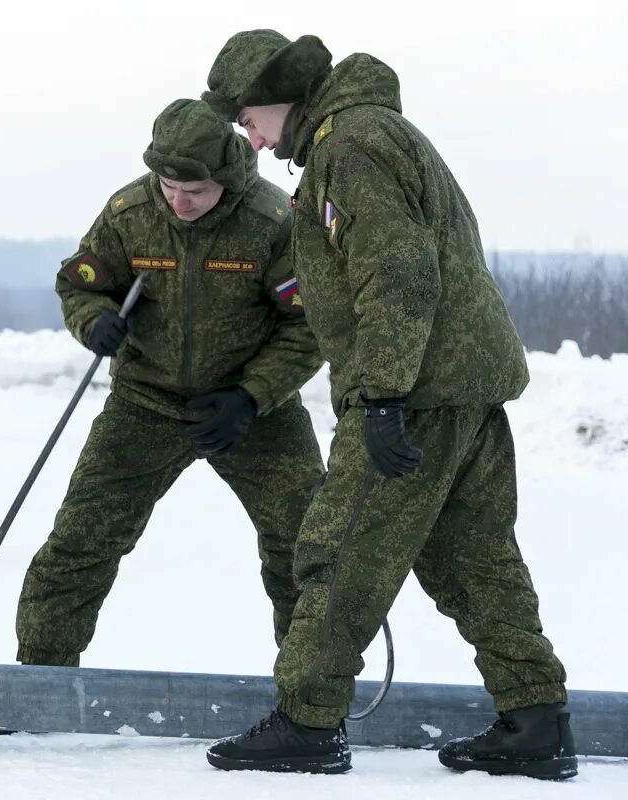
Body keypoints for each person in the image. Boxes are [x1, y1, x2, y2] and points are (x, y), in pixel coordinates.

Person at [199, 31, 573, 780]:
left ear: (280, 96)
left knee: (339, 555)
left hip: (416, 393)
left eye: (248, 117)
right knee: (476, 558)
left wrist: (381, 398)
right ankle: (536, 719)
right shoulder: (373, 132)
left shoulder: (351, 146)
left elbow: (398, 275)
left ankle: (306, 722)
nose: (251, 136)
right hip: (461, 387)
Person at [15, 99, 325, 668]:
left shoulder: (272, 220)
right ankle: (42, 677)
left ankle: (313, 693)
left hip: (253, 413)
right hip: (144, 402)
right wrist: (94, 321)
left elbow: (309, 324)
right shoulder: (129, 211)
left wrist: (252, 396)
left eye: (196, 192)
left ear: (225, 181)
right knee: (81, 541)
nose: (178, 202)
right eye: (167, 187)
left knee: (306, 549)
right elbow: (80, 284)